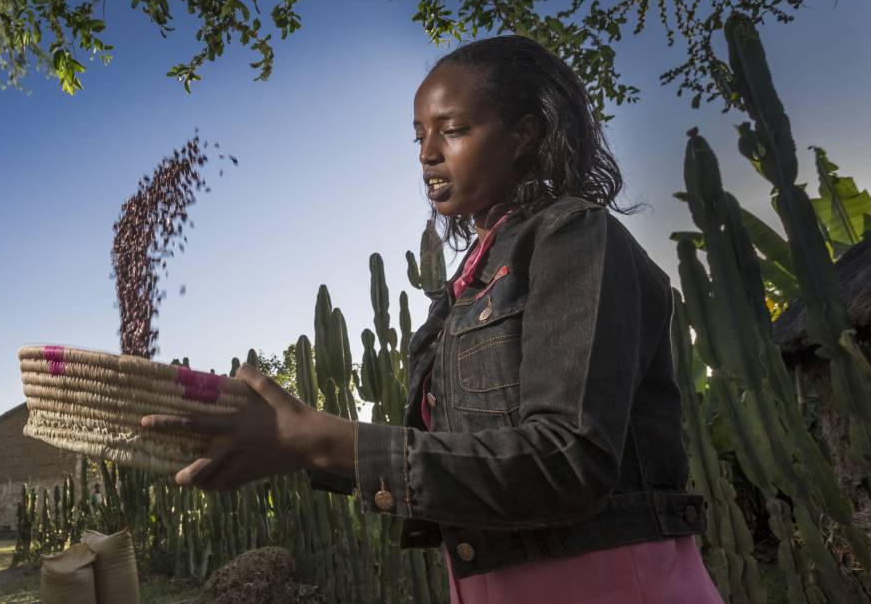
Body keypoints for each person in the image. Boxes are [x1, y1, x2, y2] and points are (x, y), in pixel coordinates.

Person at [142, 35, 723, 603]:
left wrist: (325, 438)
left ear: (524, 134)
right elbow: (456, 457)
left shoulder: (572, 235)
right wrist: (302, 449)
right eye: (420, 135)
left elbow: (568, 460)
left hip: (604, 580)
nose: (426, 153)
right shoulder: (465, 284)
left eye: (453, 129)